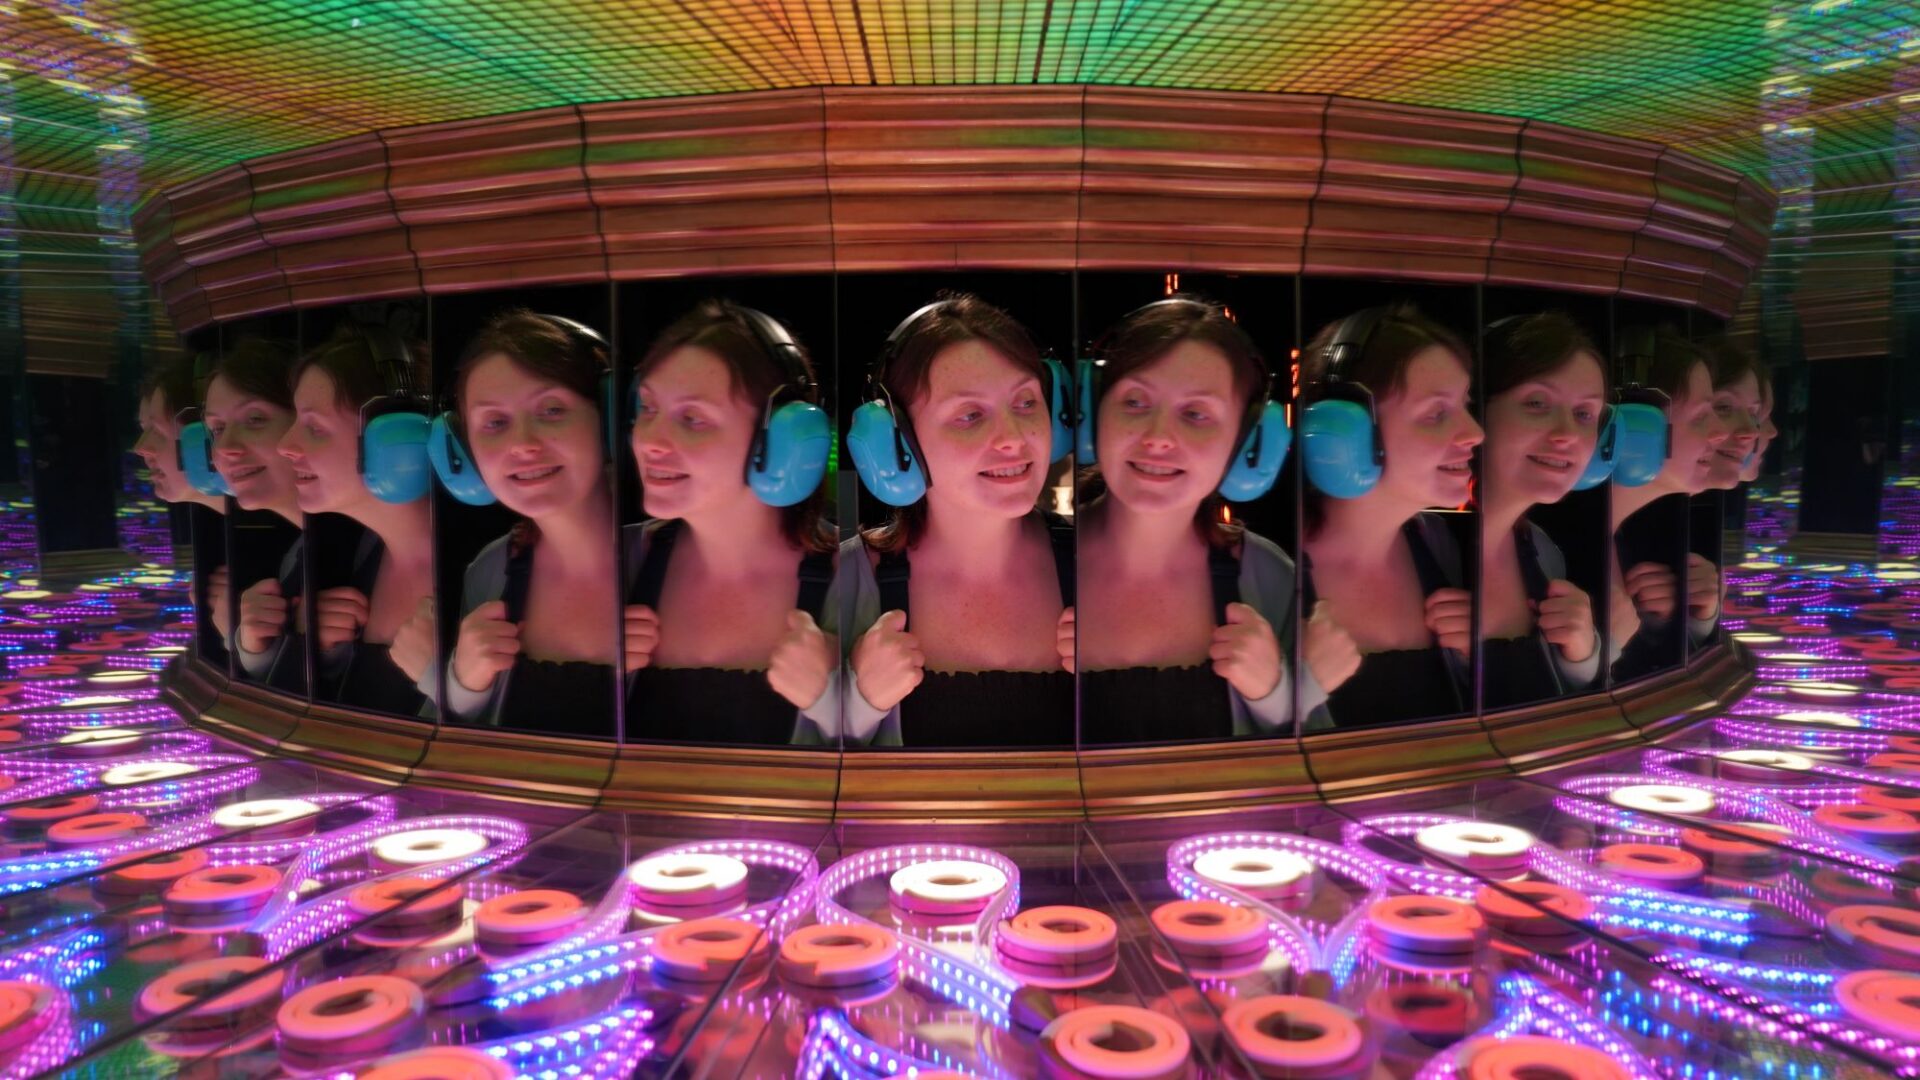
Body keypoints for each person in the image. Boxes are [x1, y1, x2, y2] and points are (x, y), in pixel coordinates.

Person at [842, 294, 1073, 746]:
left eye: (1026, 402)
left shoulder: (1097, 564)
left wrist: (1113, 688)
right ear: (897, 444)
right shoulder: (844, 579)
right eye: (970, 415)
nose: (1013, 438)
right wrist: (858, 703)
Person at [1070, 297, 1299, 741]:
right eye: (1135, 401)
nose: (1158, 438)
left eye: (1196, 414)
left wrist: (1274, 692)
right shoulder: (1036, 557)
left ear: (1246, 442)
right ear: (1093, 413)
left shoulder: (1270, 576)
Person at [623, 301, 840, 744]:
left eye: (693, 418)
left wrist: (833, 701)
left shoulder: (855, 575)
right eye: (647, 409)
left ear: (781, 438)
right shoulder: (614, 563)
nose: (650, 441)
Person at [1297, 305, 1481, 729]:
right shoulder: (1259, 571)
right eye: (1437, 413)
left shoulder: (1442, 547)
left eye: (1465, 404)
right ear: (1343, 430)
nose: (1475, 432)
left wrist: (1480, 661)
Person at [442, 310, 619, 735]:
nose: (522, 444)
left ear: (611, 418)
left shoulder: (685, 558)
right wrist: (461, 684)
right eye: (495, 423)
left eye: (552, 409)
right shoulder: (490, 570)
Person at [275, 325, 436, 715]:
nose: (286, 446)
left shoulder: (488, 573)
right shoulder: (350, 558)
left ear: (400, 438)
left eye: (314, 427)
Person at [1477, 314, 1604, 707]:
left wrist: (1582, 654)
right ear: (1476, 410)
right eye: (1537, 403)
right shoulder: (1417, 541)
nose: (1566, 434)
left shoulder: (1543, 551)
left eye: (1584, 414)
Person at [1608, 330, 1729, 678]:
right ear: (1638, 426)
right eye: (1702, 415)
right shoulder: (1557, 545)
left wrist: (1685, 620)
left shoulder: (1622, 536)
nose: (1720, 433)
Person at [204, 339, 305, 689]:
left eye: (255, 419)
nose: (227, 448)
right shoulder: (297, 555)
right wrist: (250, 645)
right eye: (216, 429)